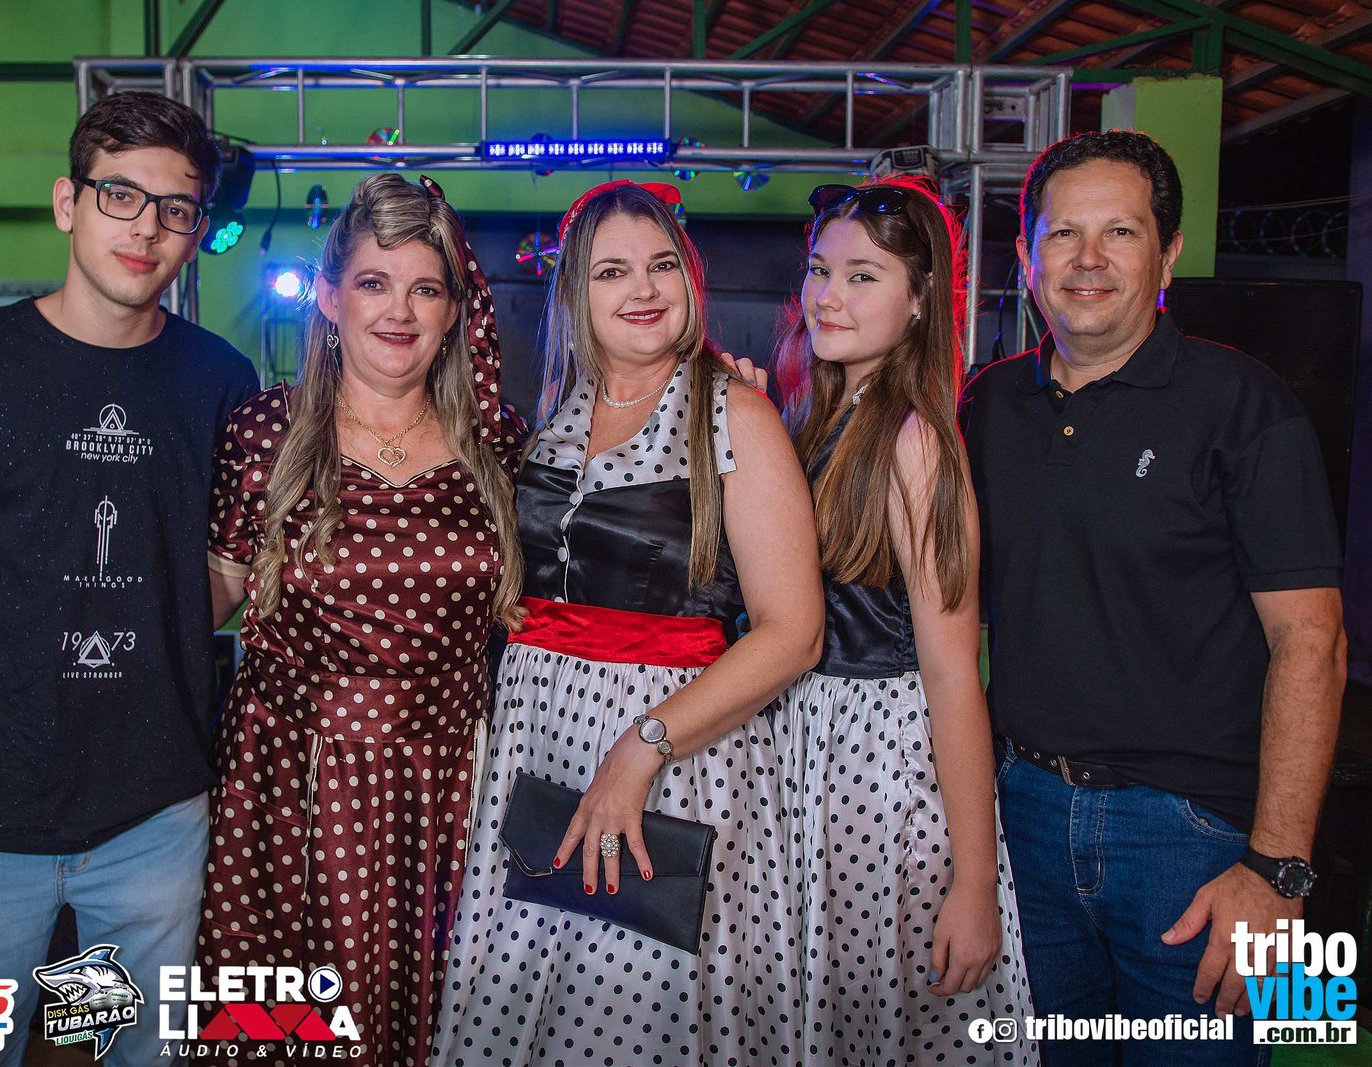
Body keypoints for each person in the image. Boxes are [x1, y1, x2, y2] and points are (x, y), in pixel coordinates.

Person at [0, 91, 259, 1066]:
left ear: (197, 231)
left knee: (139, 1052)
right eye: (119, 195)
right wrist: (8, 688)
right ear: (68, 202)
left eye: (175, 208)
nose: (146, 228)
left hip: (154, 816)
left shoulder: (222, 382)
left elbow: (218, 579)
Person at [959, 130, 1346, 1065]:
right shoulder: (985, 405)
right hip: (1022, 818)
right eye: (1063, 234)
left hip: (1200, 838)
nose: (1087, 260)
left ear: (1167, 254)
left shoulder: (1247, 403)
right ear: (1027, 255)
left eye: (1121, 233)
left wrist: (1278, 871)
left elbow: (1314, 644)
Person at [430, 179, 825, 1067]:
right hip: (540, 749)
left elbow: (794, 631)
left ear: (690, 279)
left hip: (673, 760)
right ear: (575, 292)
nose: (643, 288)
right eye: (613, 271)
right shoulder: (555, 419)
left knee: (638, 1021)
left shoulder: (734, 412)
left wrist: (642, 747)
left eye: (662, 265)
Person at [200, 173, 527, 1067]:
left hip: (455, 783)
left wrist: (708, 388)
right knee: (291, 1030)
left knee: (448, 1021)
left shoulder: (497, 441)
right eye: (374, 283)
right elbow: (206, 602)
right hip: (292, 784)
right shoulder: (264, 433)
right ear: (329, 295)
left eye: (426, 288)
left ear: (455, 311)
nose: (399, 311)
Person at [774, 178, 1037, 1065]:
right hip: (805, 746)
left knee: (881, 1027)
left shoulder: (914, 440)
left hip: (876, 765)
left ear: (921, 300)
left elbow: (953, 672)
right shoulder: (817, 416)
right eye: (820, 270)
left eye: (862, 276)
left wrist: (975, 881)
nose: (829, 295)